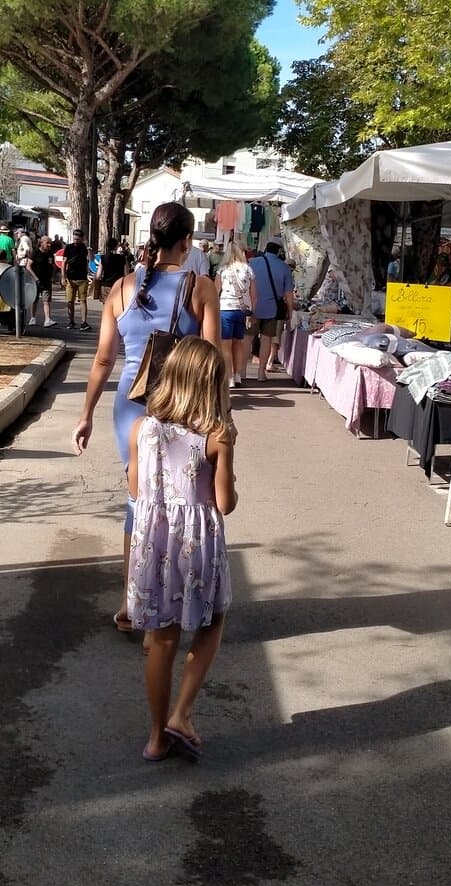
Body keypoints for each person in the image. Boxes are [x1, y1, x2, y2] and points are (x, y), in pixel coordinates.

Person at [72, 201, 222, 634]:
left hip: (131, 406)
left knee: (139, 500)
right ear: (187, 241)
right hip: (184, 405)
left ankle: (131, 599)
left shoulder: (121, 288)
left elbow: (103, 359)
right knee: (184, 500)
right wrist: (220, 418)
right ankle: (179, 595)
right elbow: (213, 360)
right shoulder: (200, 288)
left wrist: (86, 414)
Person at [126, 336, 236, 761]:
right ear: (213, 386)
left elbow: (135, 489)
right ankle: (182, 713)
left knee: (161, 638)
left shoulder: (142, 429)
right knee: (213, 619)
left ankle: (156, 737)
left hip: (153, 544)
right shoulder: (216, 437)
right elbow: (224, 503)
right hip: (196, 544)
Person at [248, 239, 295, 382]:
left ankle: (241, 373)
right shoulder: (284, 268)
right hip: (272, 309)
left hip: (253, 308)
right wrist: (290, 311)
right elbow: (288, 294)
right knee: (266, 340)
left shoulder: (252, 263)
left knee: (247, 339)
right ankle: (261, 373)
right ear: (279, 251)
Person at [215, 239, 255, 388]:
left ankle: (229, 377)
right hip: (242, 311)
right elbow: (254, 294)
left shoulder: (223, 270)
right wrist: (252, 312)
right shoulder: (248, 269)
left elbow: (216, 291)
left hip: (226, 309)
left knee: (226, 345)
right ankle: (238, 374)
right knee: (238, 343)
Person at [62, 228, 91, 331]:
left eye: (78, 239)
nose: (76, 241)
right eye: (74, 239)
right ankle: (71, 321)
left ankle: (84, 322)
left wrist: (88, 274)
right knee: (70, 301)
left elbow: (89, 260)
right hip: (70, 278)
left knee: (83, 300)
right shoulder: (68, 247)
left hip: (82, 278)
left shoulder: (84, 248)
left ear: (82, 239)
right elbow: (64, 262)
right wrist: (63, 277)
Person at [31, 234, 57, 327]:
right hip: (36, 281)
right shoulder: (35, 253)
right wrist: (35, 278)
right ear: (41, 243)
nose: (49, 245)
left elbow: (53, 265)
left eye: (50, 243)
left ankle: (47, 319)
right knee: (34, 300)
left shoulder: (50, 253)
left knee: (46, 300)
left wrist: (53, 276)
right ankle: (33, 318)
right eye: (47, 243)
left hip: (46, 281)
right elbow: (28, 266)